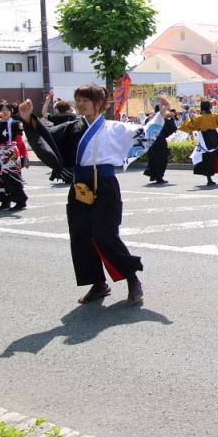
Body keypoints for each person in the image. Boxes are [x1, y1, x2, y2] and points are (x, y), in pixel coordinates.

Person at [18, 85, 152, 304]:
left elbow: (144, 135)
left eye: (85, 100)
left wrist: (162, 119)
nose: (80, 104)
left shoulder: (114, 127)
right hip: (80, 186)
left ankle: (131, 277)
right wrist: (28, 118)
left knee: (105, 233)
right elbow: (46, 136)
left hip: (105, 184)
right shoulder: (71, 127)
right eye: (77, 100)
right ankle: (98, 284)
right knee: (80, 235)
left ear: (99, 103)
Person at [0, 102, 28, 211]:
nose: (5, 111)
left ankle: (20, 201)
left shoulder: (15, 123)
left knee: (11, 175)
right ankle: (5, 201)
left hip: (11, 152)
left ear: (11, 111)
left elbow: (22, 135)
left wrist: (24, 155)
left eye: (7, 109)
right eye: (2, 109)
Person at [180, 100, 218, 186]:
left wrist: (190, 115)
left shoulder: (199, 118)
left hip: (204, 138)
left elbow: (188, 125)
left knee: (207, 158)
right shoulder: (214, 116)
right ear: (210, 107)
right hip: (215, 137)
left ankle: (209, 179)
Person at [142, 99, 177, 185]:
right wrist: (172, 118)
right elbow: (172, 128)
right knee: (161, 159)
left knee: (153, 159)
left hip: (150, 141)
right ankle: (159, 177)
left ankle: (155, 176)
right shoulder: (161, 118)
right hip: (159, 141)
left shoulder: (149, 118)